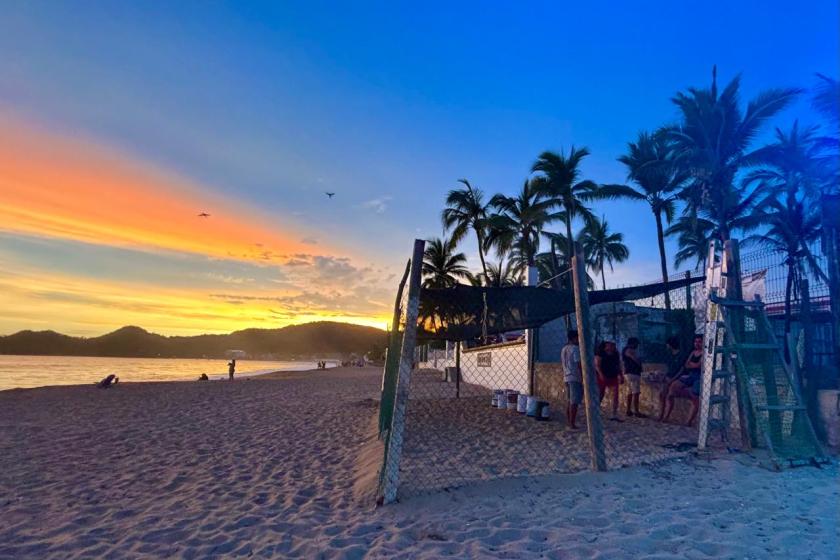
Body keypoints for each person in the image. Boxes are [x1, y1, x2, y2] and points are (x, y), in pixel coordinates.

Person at [661, 334, 704, 426]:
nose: (697, 344)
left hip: (699, 376)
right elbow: (687, 365)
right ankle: (666, 416)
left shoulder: (704, 353)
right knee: (672, 390)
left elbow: (698, 365)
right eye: (696, 342)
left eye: (699, 342)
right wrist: (693, 364)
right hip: (691, 375)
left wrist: (692, 364)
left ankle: (689, 421)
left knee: (695, 398)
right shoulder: (693, 352)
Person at [595, 340, 624, 421]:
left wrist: (621, 375)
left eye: (613, 345)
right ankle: (596, 410)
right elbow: (597, 365)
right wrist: (601, 375)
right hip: (603, 375)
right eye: (610, 345)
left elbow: (618, 365)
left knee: (615, 395)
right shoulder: (600, 354)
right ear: (606, 345)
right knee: (601, 393)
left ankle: (614, 413)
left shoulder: (616, 354)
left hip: (613, 375)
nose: (612, 347)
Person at [561, 330, 583, 430]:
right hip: (574, 376)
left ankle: (569, 420)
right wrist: (583, 375)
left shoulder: (564, 348)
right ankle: (572, 423)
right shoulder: (575, 349)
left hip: (566, 376)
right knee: (574, 401)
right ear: (574, 338)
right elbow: (578, 363)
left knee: (570, 400)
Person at [622, 337, 646, 417]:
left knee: (630, 392)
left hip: (629, 373)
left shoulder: (625, 350)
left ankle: (628, 410)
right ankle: (636, 411)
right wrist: (640, 364)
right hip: (633, 373)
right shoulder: (629, 350)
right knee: (636, 392)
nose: (637, 346)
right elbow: (635, 360)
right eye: (636, 344)